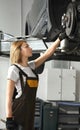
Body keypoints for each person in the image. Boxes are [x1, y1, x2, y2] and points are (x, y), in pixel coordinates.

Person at [6, 32, 66, 130]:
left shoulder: (31, 66)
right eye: (27, 46)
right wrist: (9, 119)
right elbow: (8, 99)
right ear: (19, 51)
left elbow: (47, 54)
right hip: (19, 112)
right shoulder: (14, 69)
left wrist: (59, 39)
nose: (30, 48)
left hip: (30, 110)